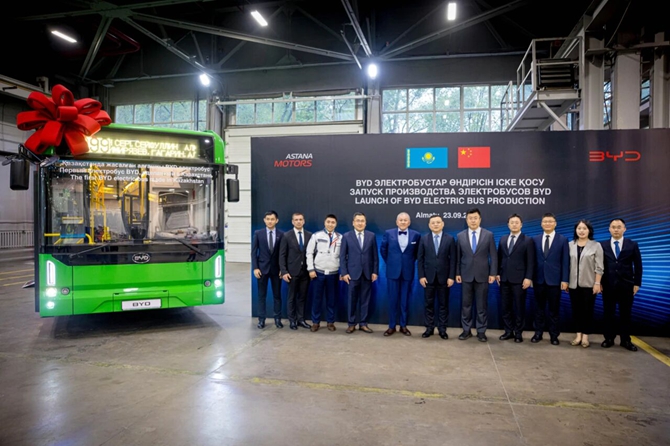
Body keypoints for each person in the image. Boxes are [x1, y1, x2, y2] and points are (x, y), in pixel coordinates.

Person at [600, 218, 643, 352]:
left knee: (626, 314)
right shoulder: (602, 245)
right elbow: (599, 265)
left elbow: (638, 265)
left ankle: (625, 340)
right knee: (608, 313)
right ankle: (609, 338)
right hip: (608, 285)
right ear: (609, 229)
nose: (616, 229)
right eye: (613, 227)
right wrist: (599, 283)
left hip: (627, 285)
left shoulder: (632, 244)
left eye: (619, 227)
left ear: (624, 229)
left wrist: (637, 283)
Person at [455, 208, 497, 342]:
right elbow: (458, 257)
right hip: (465, 275)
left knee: (481, 306)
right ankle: (466, 330)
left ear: (480, 219)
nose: (473, 221)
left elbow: (493, 256)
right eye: (470, 218)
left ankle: (481, 331)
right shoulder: (460, 236)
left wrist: (493, 273)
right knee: (466, 305)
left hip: (483, 275)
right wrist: (457, 272)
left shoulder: (488, 235)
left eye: (475, 218)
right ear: (466, 220)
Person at [380, 212, 421, 336]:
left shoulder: (416, 235)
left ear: (409, 222)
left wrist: (407, 263)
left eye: (405, 220)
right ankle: (391, 326)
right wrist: (392, 262)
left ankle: (403, 326)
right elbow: (383, 250)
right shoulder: (388, 233)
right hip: (392, 272)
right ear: (397, 222)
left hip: (407, 272)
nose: (403, 222)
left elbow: (417, 253)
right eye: (401, 220)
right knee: (392, 300)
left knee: (405, 300)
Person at [496, 213, 535, 343]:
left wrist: (528, 277)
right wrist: (497, 273)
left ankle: (518, 333)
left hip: (520, 279)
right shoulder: (503, 239)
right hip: (504, 279)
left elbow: (531, 261)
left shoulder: (528, 240)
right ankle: (508, 331)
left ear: (521, 225)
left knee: (519, 307)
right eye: (512, 222)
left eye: (516, 222)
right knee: (505, 307)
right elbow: (499, 258)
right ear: (508, 225)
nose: (514, 225)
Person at [531, 213, 569, 345]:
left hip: (555, 280)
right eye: (545, 221)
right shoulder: (535, 239)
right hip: (539, 279)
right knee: (538, 309)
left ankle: (554, 335)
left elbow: (565, 261)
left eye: (550, 221)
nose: (547, 223)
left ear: (555, 223)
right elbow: (532, 260)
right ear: (541, 224)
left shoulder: (562, 240)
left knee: (554, 309)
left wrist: (565, 280)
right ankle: (538, 333)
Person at [417, 214, 456, 339]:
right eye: (433, 223)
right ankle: (429, 328)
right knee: (428, 304)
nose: (435, 224)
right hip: (428, 278)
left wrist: (451, 276)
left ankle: (442, 329)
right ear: (429, 225)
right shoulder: (424, 239)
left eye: (438, 222)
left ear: (442, 224)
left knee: (443, 305)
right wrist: (421, 276)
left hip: (444, 278)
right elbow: (420, 259)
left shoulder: (450, 239)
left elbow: (453, 260)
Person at [340, 212, 379, 333]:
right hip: (352, 274)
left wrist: (375, 272)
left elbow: (375, 256)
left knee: (365, 300)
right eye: (358, 221)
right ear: (353, 223)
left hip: (367, 273)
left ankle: (363, 323)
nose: (360, 223)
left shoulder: (371, 236)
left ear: (365, 223)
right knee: (352, 299)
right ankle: (351, 323)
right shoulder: (346, 236)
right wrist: (344, 273)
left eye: (362, 221)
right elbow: (342, 256)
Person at [567, 219, 604, 348]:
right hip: (573, 284)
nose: (581, 231)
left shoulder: (596, 245)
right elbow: (566, 265)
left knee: (588, 311)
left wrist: (597, 283)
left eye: (584, 228)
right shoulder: (570, 245)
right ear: (575, 230)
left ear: (589, 230)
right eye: (579, 228)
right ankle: (578, 335)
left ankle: (586, 337)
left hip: (589, 284)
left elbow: (599, 267)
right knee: (576, 310)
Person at [306, 214, 342, 332]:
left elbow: (343, 256)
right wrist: (311, 269)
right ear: (324, 223)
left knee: (331, 299)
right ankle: (315, 322)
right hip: (318, 273)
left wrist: (342, 272)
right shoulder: (316, 236)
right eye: (328, 222)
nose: (330, 224)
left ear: (336, 224)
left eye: (333, 222)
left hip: (333, 273)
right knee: (317, 298)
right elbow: (309, 253)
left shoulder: (340, 237)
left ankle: (330, 322)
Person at [279, 212, 312, 330]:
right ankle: (292, 321)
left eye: (300, 219)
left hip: (305, 272)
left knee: (302, 297)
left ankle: (301, 319)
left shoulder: (309, 235)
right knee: (291, 297)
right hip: (292, 272)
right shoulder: (286, 236)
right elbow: (282, 255)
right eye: (296, 220)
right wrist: (284, 271)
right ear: (292, 222)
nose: (298, 221)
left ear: (304, 221)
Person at [251, 211, 284, 329]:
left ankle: (277, 319)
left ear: (276, 220)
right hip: (262, 269)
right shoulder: (258, 233)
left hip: (276, 270)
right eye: (268, 219)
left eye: (272, 219)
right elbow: (254, 252)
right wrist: (255, 268)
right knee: (261, 296)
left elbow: (283, 254)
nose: (270, 221)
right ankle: (261, 319)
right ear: (264, 220)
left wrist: (283, 269)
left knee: (277, 296)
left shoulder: (281, 234)